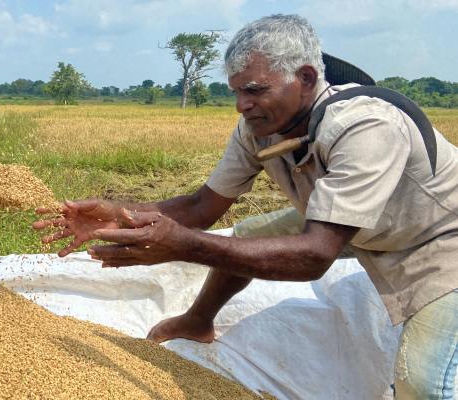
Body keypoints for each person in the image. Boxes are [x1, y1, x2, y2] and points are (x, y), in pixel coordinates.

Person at [33, 14, 457, 399]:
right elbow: (202, 205)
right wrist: (119, 212)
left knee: (423, 384)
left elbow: (315, 255)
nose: (241, 104)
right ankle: (198, 321)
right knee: (250, 238)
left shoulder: (365, 125)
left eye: (255, 90)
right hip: (360, 222)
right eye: (236, 91)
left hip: (438, 238)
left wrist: (184, 245)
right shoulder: (260, 128)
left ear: (306, 77)